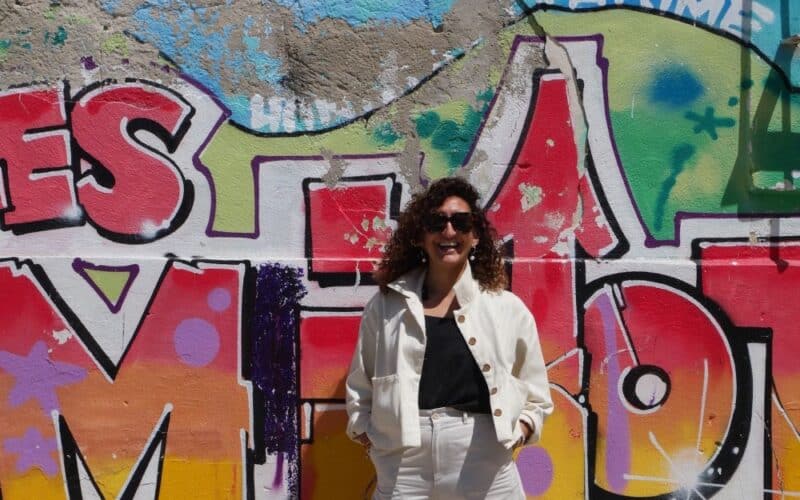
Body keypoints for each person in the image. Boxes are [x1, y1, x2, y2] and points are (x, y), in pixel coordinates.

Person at [345, 177, 553, 499]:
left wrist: (521, 430)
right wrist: (370, 438)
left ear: (475, 234)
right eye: (436, 222)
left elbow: (537, 394)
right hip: (404, 465)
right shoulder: (386, 306)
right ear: (420, 235)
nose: (449, 231)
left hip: (485, 462)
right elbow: (361, 386)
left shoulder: (507, 309)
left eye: (461, 222)